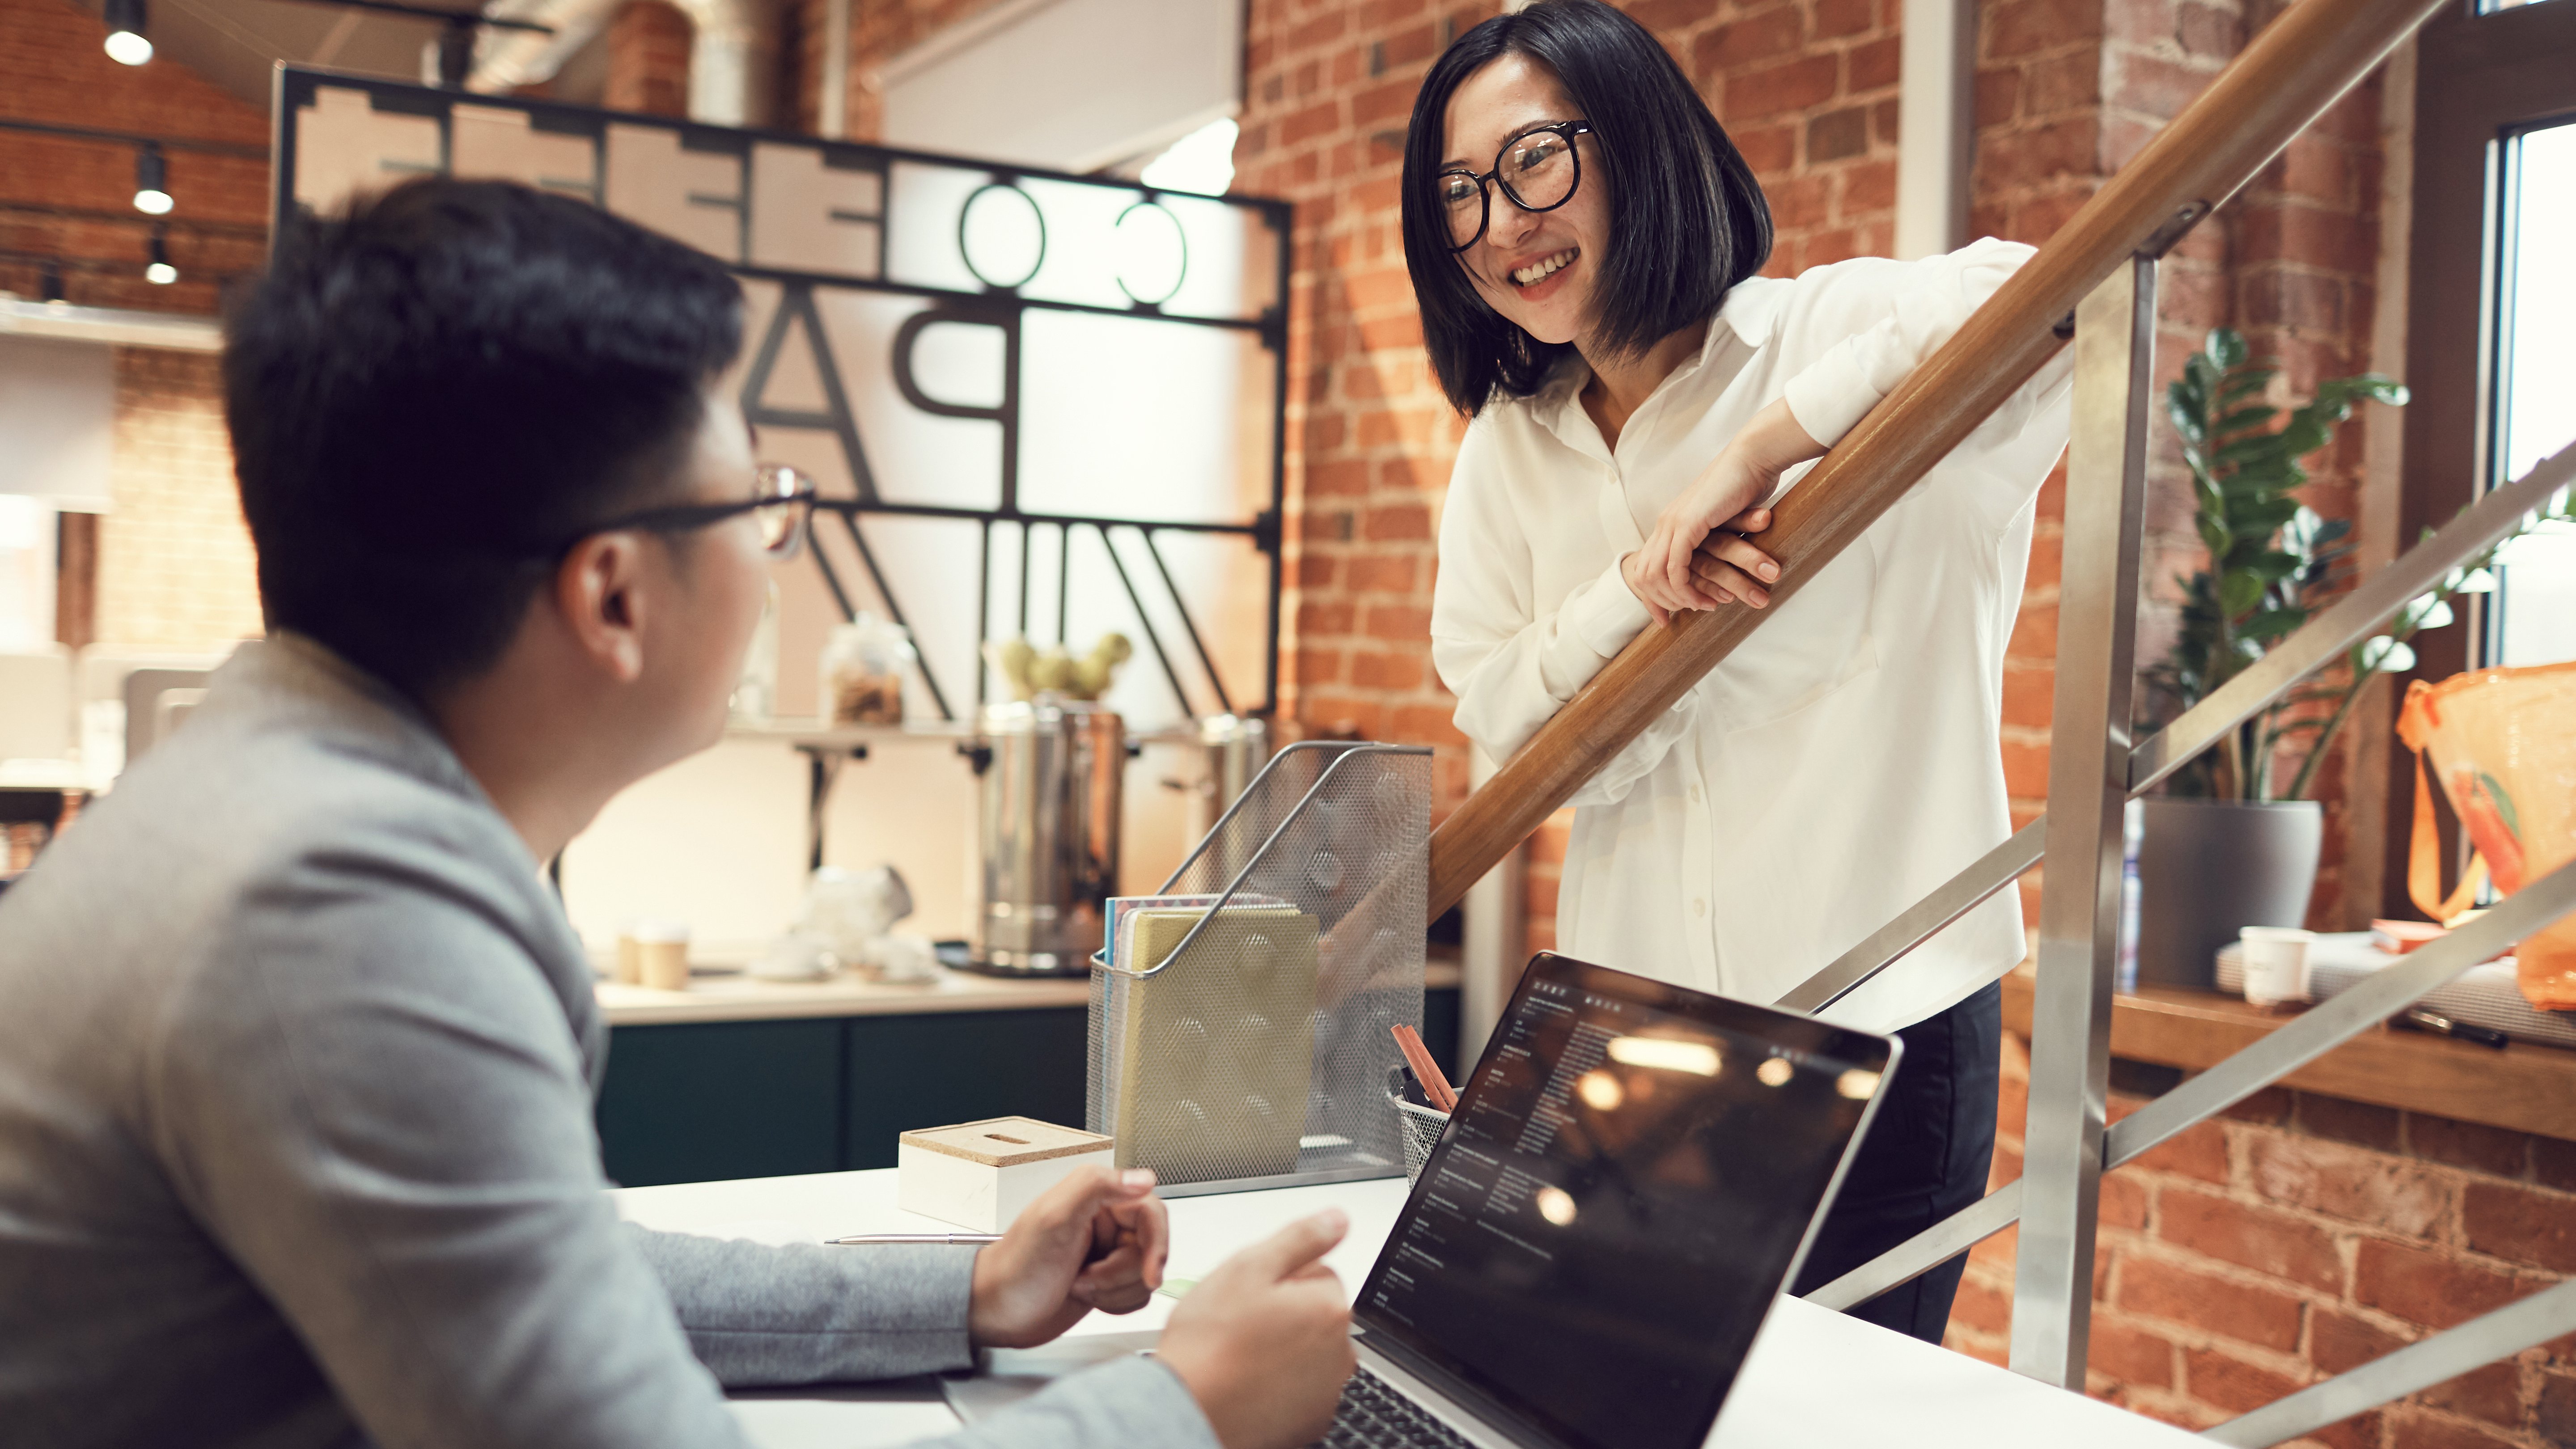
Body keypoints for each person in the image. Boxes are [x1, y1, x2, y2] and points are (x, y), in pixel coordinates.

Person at [0, 178, 1355, 1449]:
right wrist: (1191, 1402)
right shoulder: (338, 915)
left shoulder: (271, 793)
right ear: (613, 598)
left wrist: (966, 1291)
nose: (773, 561)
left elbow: (534, 1264)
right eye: (756, 506)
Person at [1414, 0, 2074, 1342]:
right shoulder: (1511, 448)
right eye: (1462, 195)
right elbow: (1495, 707)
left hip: (1876, 1015)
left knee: (1834, 1417)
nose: (1501, 224)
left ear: (1641, 142)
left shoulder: (1830, 327)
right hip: (1628, 1034)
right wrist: (1635, 591)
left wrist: (1762, 452)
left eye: (1534, 161)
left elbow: (2046, 290)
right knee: (1597, 1404)